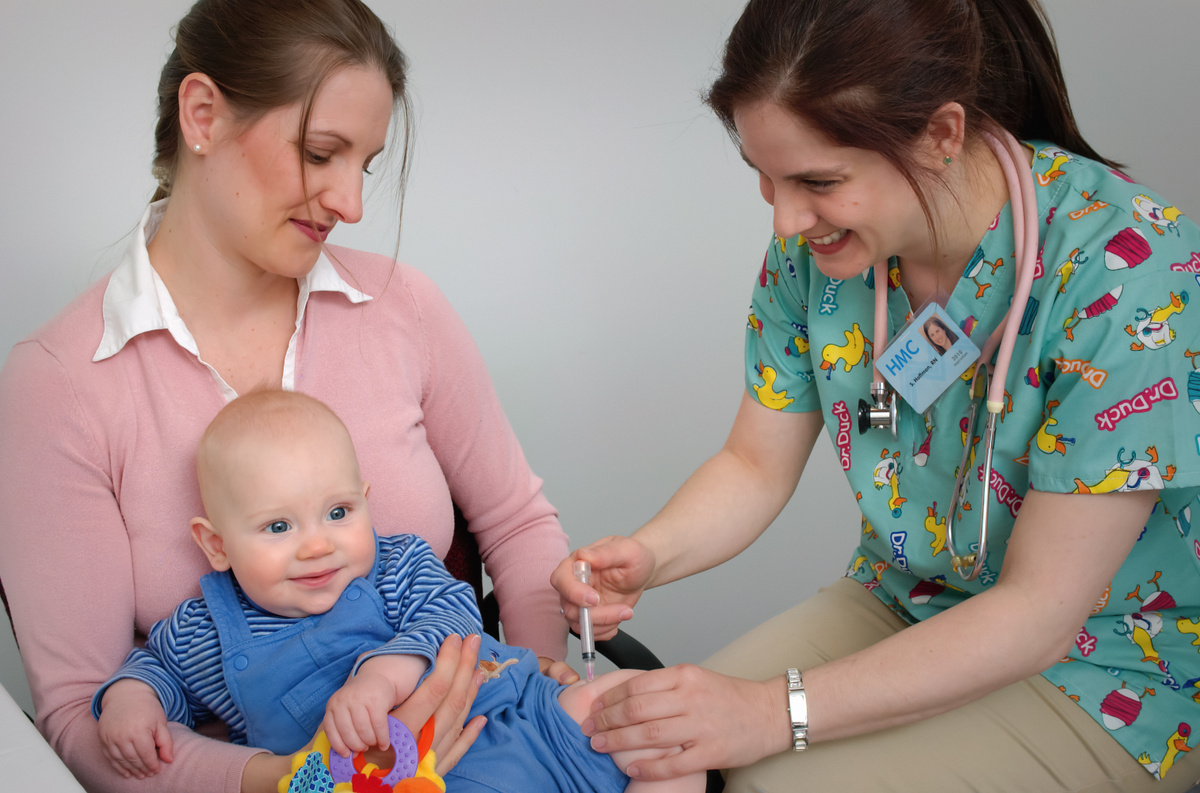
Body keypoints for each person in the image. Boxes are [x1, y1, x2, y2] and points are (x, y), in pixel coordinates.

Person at [553, 0, 1200, 790]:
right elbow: (755, 465)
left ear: (940, 135)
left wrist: (764, 713)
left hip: (1102, 664)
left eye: (817, 181)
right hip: (905, 600)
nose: (788, 220)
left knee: (753, 780)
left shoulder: (1127, 270)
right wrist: (650, 554)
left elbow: (1039, 610)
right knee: (628, 748)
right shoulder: (821, 255)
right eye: (767, 180)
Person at [0, 2, 571, 791]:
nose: (352, 203)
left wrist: (536, 685)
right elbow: (77, 714)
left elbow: (516, 523)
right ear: (201, 115)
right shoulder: (59, 386)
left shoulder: (406, 308)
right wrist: (305, 779)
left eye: (363, 165)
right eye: (320, 152)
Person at [93, 390, 705, 793]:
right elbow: (155, 669)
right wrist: (131, 701)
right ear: (217, 544)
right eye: (279, 527)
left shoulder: (396, 563)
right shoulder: (205, 629)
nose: (317, 545)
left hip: (525, 710)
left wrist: (383, 676)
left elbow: (453, 611)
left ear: (366, 500)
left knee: (666, 712)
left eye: (338, 512)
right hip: (411, 779)